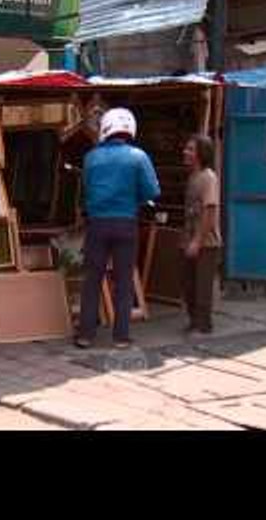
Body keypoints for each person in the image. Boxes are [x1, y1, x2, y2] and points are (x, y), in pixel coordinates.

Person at [76, 108, 160, 350]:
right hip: (126, 224)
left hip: (97, 225)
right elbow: (152, 192)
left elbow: (86, 188)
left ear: (105, 128)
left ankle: (85, 335)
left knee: (92, 280)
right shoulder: (139, 156)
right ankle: (121, 337)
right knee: (123, 281)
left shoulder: (91, 157)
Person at [181, 134, 222, 335]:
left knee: (202, 288)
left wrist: (197, 241)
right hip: (190, 241)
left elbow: (210, 211)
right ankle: (194, 322)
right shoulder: (193, 176)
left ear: (201, 153)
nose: (185, 152)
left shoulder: (208, 177)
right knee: (189, 285)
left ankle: (203, 327)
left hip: (206, 243)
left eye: (190, 149)